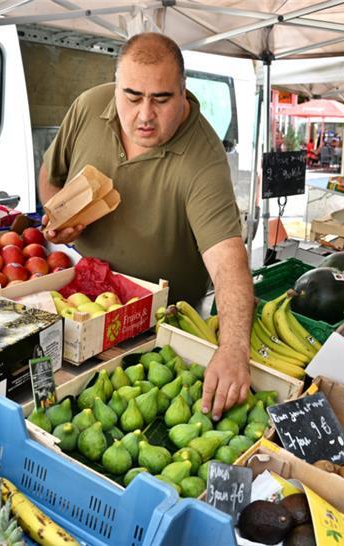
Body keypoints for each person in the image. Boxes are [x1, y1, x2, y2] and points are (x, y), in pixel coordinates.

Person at [37, 33, 253, 420]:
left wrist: (234, 349)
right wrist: (58, 215)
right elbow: (51, 176)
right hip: (77, 306)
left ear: (183, 92)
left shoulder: (203, 158)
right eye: (132, 96)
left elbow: (227, 262)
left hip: (156, 332)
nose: (145, 115)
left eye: (162, 99)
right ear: (116, 85)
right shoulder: (89, 106)